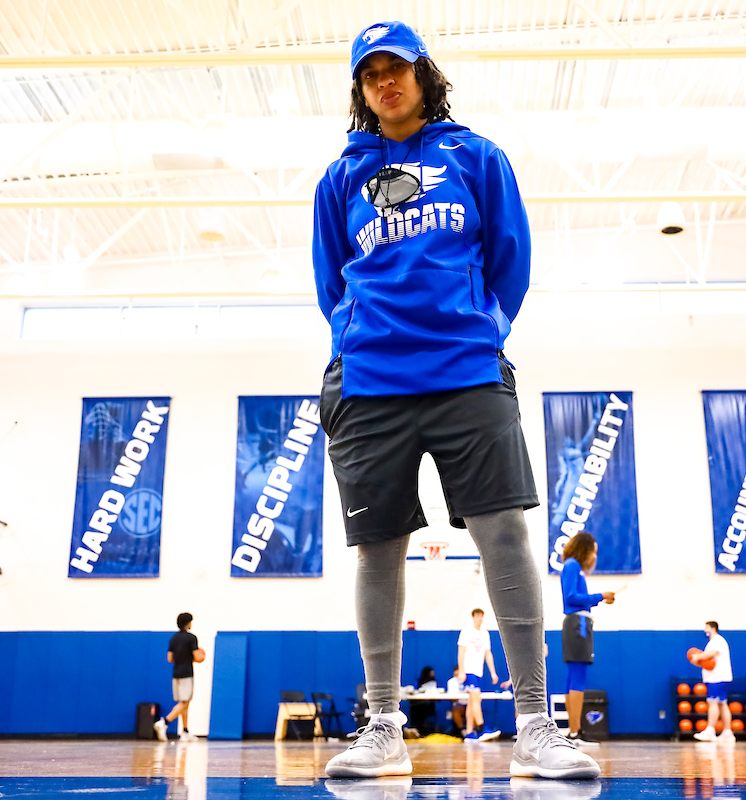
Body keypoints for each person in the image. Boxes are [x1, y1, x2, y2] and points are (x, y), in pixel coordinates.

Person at [313, 19, 598, 781]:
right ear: (361, 91)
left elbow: (511, 259)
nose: (384, 83)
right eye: (370, 74)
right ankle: (381, 728)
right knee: (377, 552)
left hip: (467, 372)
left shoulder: (476, 156)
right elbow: (330, 281)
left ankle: (536, 726)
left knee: (504, 534)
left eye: (396, 68)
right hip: (370, 381)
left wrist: (483, 331)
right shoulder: (340, 180)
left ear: (422, 75)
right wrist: (353, 343)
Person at [558, 532, 615, 744]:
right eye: (594, 551)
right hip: (578, 625)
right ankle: (575, 732)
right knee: (578, 675)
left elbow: (577, 599)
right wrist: (600, 596)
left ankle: (574, 732)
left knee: (574, 675)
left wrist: (598, 600)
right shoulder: (573, 566)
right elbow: (571, 597)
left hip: (577, 624)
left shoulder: (573, 567)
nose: (594, 556)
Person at [155, 612, 203, 742]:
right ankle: (164, 722)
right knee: (184, 703)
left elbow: (170, 659)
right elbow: (198, 657)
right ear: (188, 623)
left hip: (176, 673)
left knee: (183, 703)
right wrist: (201, 656)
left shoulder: (173, 639)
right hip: (187, 673)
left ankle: (185, 731)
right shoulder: (192, 638)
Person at [458, 608, 503, 743]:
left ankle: (470, 733)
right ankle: (482, 728)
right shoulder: (466, 631)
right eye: (477, 616)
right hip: (469, 670)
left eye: (481, 616)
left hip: (479, 671)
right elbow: (461, 651)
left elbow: (488, 654)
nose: (479, 618)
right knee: (476, 698)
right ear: (473, 617)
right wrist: (461, 670)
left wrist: (493, 672)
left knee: (472, 702)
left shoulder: (485, 633)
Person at [692, 621, 734, 743]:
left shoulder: (717, 641)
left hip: (717, 677)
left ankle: (710, 731)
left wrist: (697, 657)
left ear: (712, 628)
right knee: (722, 703)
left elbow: (712, 653)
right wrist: (698, 661)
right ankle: (727, 732)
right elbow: (708, 660)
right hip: (717, 677)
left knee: (713, 702)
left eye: (706, 627)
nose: (705, 630)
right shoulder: (713, 642)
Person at [446, 665, 468, 735]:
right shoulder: (451, 682)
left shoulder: (468, 680)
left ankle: (475, 729)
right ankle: (462, 731)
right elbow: (452, 697)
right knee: (456, 710)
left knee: (474, 709)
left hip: (469, 704)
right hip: (458, 704)